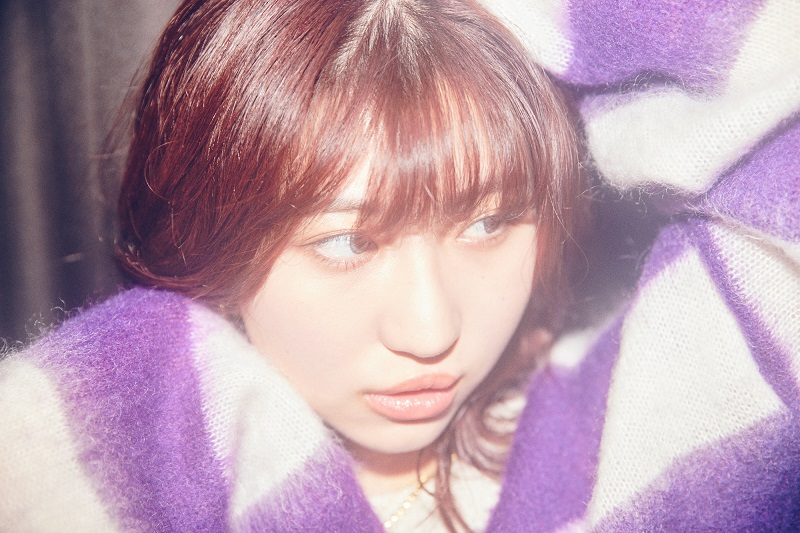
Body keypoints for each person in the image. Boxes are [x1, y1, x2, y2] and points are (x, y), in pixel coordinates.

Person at [1, 0, 583, 531]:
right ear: (211, 242)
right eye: (348, 243)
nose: (431, 333)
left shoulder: (602, 447)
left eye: (488, 224)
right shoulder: (52, 473)